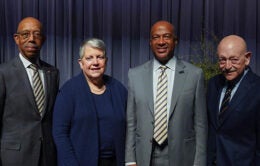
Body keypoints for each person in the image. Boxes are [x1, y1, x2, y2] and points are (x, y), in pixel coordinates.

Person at [125, 20, 207, 166]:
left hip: (182, 156)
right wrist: (130, 160)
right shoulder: (134, 75)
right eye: (156, 37)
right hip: (145, 156)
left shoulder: (195, 75)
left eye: (167, 36)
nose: (161, 42)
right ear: (150, 42)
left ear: (175, 41)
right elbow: (132, 122)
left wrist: (199, 162)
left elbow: (200, 124)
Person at [52, 38, 127, 166]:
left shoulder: (119, 89)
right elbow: (60, 134)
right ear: (81, 63)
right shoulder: (69, 91)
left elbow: (130, 128)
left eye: (100, 57)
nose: (95, 62)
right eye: (89, 58)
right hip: (80, 162)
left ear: (106, 61)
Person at [0, 17, 59, 166]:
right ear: (16, 39)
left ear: (43, 39)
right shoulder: (3, 72)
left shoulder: (53, 72)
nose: (31, 39)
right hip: (13, 157)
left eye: (37, 34)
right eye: (25, 34)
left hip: (47, 156)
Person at [207, 35, 260, 166]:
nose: (227, 66)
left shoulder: (257, 89)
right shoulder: (212, 84)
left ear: (247, 58)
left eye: (234, 59)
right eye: (222, 60)